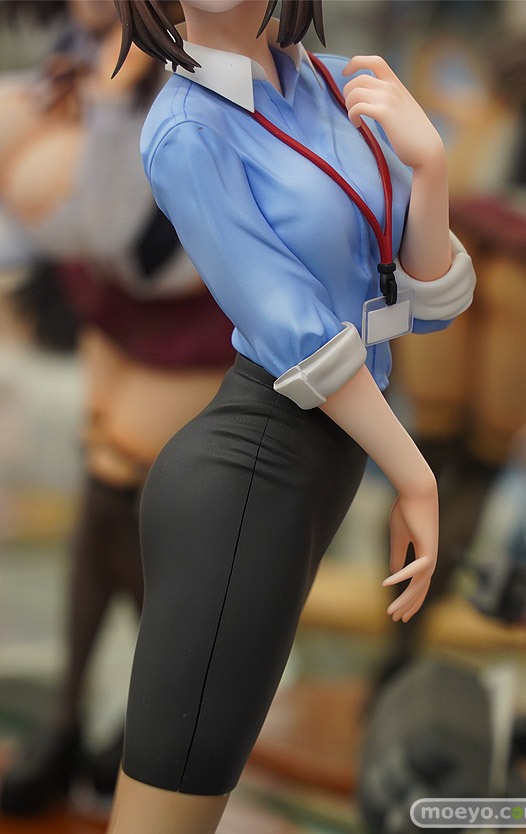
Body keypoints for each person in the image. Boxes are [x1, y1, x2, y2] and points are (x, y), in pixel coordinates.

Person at [106, 2, 476, 832]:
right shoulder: (187, 130)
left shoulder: (339, 82)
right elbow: (294, 331)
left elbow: (422, 308)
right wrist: (414, 474)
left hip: (322, 463)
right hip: (249, 474)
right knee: (172, 802)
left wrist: (430, 168)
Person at [0, 0, 234, 814]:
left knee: (130, 505)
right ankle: (75, 722)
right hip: (120, 297)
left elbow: (121, 227)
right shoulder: (91, 46)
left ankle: (151, 722)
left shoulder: (195, 54)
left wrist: (104, 108)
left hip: (194, 302)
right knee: (102, 498)